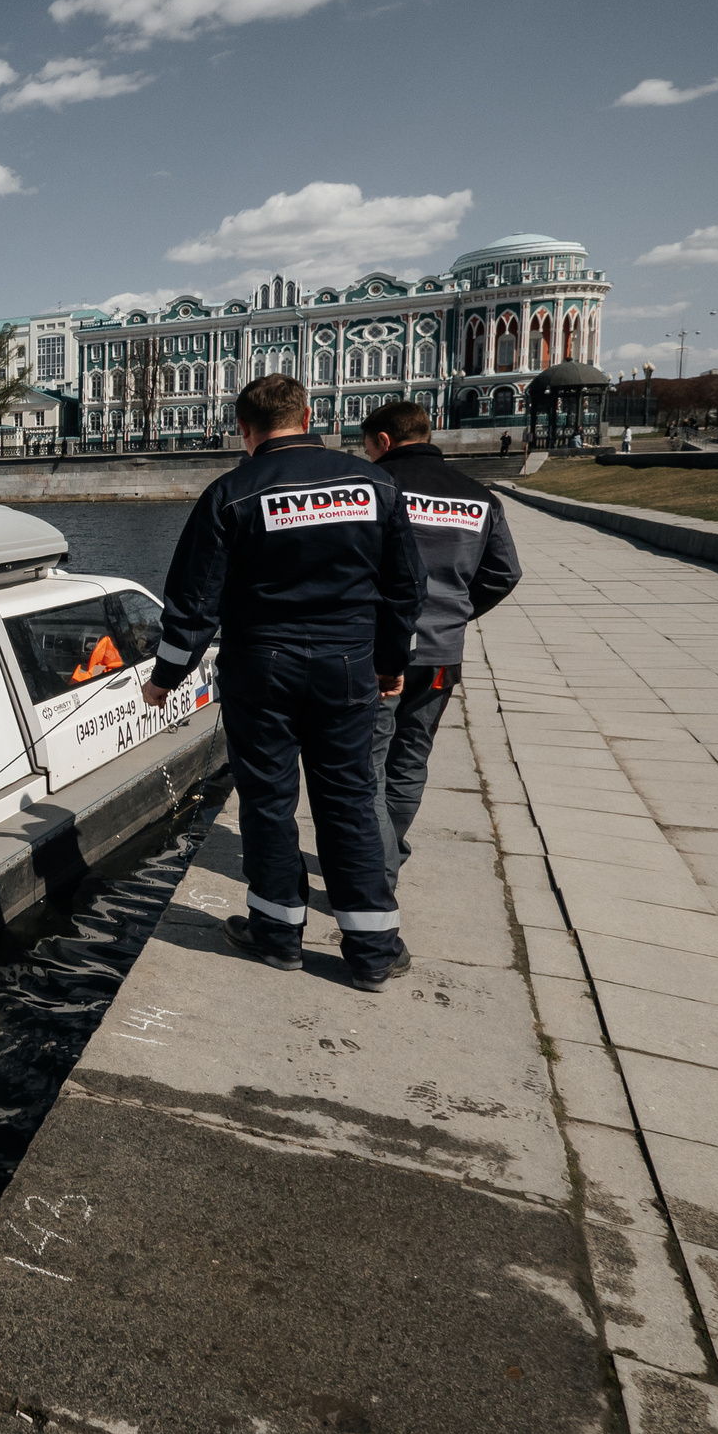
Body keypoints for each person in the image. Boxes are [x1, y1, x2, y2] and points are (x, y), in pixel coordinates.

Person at [142, 375, 426, 991]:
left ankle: (275, 935)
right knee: (350, 797)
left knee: (269, 800)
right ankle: (373, 952)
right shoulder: (374, 483)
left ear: (244, 430)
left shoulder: (231, 493)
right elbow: (405, 586)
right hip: (348, 665)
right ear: (308, 416)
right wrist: (389, 662)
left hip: (261, 667)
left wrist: (167, 675)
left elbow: (194, 598)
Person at [359, 401, 524, 890]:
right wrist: (455, 613)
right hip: (441, 654)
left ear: (384, 441)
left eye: (367, 448)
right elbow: (505, 572)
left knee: (368, 763)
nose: (367, 456)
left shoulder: (375, 487)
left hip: (376, 653)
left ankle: (376, 872)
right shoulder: (478, 496)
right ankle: (389, 852)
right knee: (410, 759)